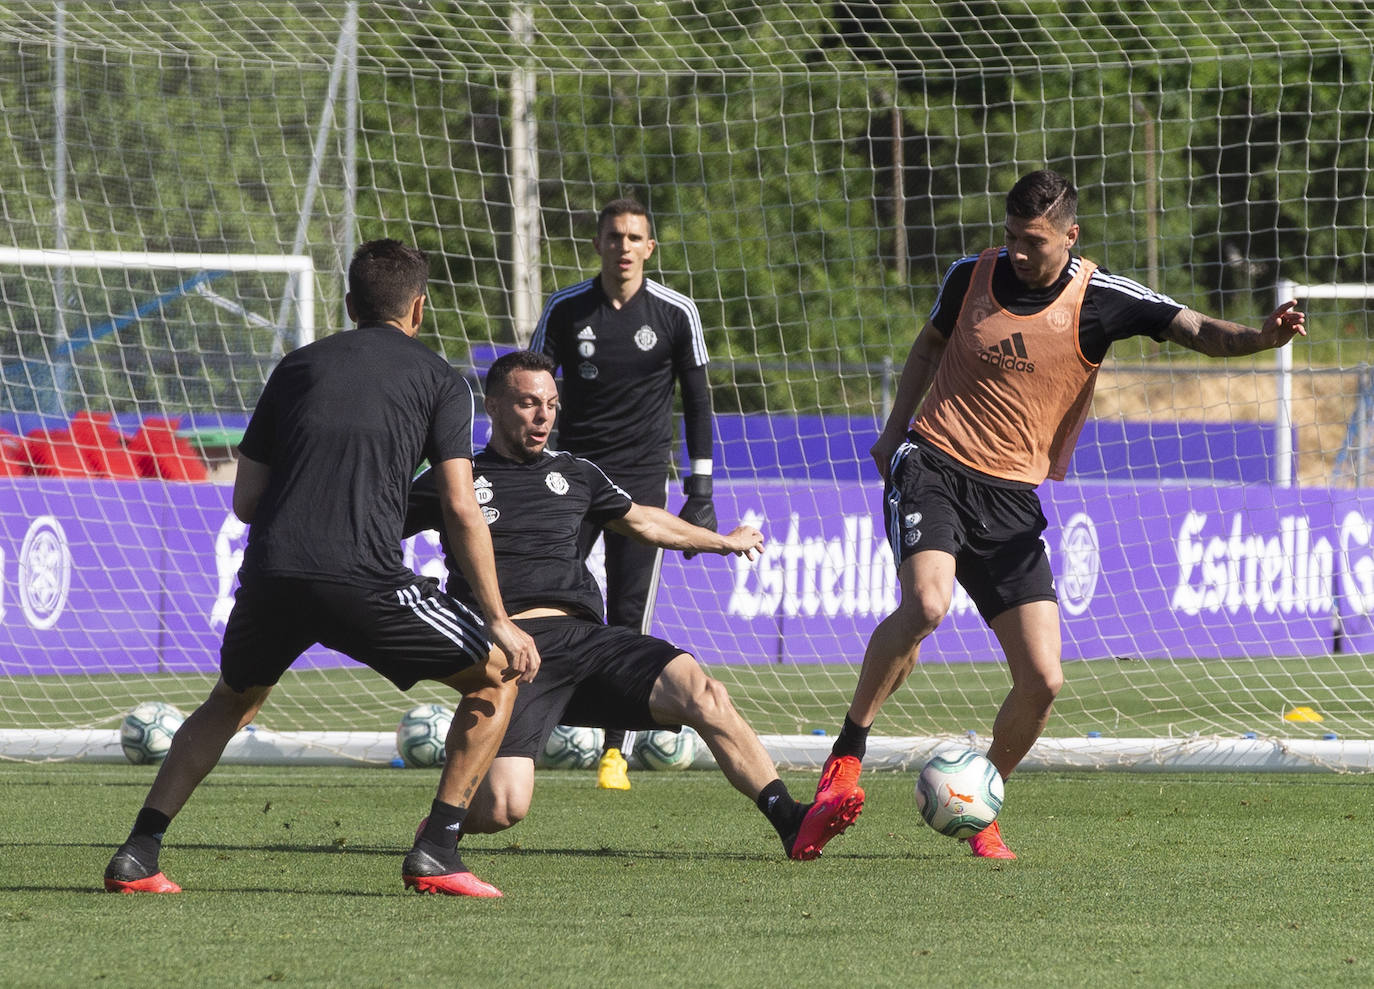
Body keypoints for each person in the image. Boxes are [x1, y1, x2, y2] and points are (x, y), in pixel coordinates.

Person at [811, 169, 1307, 859]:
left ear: (1070, 236)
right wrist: (893, 437)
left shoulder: (1101, 298)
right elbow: (928, 347)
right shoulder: (969, 276)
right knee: (926, 603)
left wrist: (1260, 338)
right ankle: (845, 758)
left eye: (1034, 241)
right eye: (1011, 236)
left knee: (1044, 679)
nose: (1018, 251)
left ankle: (981, 800)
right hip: (935, 463)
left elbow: (1192, 327)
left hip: (1012, 498)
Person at [103, 239, 540, 898]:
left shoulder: (296, 366)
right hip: (362, 577)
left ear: (348, 304)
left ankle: (139, 850)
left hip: (273, 571)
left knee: (231, 701)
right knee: (499, 672)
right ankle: (438, 849)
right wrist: (499, 618)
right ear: (418, 307)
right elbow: (459, 504)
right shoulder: (439, 379)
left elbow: (246, 501)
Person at [403, 350, 860, 860]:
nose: (542, 417)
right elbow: (378, 532)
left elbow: (643, 520)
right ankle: (443, 825)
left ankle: (791, 820)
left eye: (551, 405)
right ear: (491, 405)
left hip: (588, 641)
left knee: (704, 692)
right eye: (529, 404)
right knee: (504, 807)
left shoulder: (575, 472)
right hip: (512, 655)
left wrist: (721, 540)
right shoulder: (454, 479)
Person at [531, 197, 715, 790]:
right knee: (545, 594)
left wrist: (701, 487)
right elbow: (530, 385)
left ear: (650, 247)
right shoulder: (565, 309)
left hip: (639, 485)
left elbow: (698, 401)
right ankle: (530, 721)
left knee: (629, 612)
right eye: (615, 237)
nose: (625, 247)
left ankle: (615, 748)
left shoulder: (675, 312)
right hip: (571, 479)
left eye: (636, 237)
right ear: (599, 244)